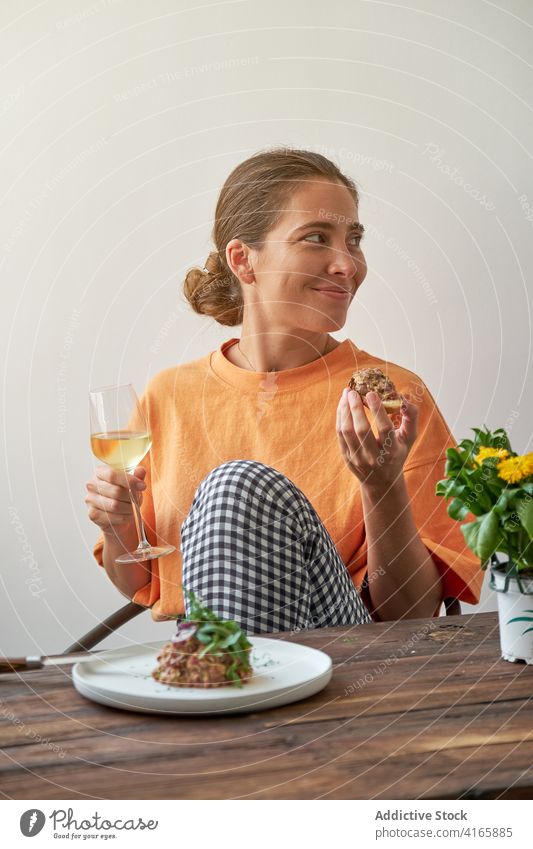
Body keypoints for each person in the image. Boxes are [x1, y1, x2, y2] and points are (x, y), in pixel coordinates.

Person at [86, 148, 483, 633]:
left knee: (236, 487)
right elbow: (139, 584)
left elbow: (412, 614)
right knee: (235, 489)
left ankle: (230, 685)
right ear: (243, 260)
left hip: (349, 660)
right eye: (317, 238)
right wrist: (118, 526)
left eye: (354, 240)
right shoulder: (169, 396)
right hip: (213, 654)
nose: (347, 264)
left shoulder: (395, 400)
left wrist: (382, 487)